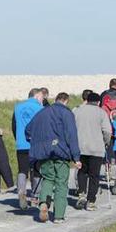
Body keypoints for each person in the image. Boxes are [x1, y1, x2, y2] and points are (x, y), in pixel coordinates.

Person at [26, 92, 81, 224]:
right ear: (66, 101)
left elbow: (28, 130)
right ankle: (58, 216)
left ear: (55, 100)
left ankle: (44, 202)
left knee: (48, 179)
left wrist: (38, 142)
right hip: (61, 152)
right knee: (61, 183)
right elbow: (71, 136)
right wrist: (76, 157)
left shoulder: (42, 113)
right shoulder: (67, 114)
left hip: (44, 153)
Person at [74, 92, 112, 210]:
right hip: (96, 148)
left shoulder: (77, 111)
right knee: (94, 175)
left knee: (82, 172)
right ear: (98, 102)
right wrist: (106, 142)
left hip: (80, 147)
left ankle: (81, 194)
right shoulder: (101, 112)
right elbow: (107, 131)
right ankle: (91, 201)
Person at [11, 89, 44, 209]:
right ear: (36, 96)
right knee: (36, 169)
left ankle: (21, 192)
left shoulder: (17, 107)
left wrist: (18, 139)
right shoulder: (40, 109)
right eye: (41, 97)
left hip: (21, 144)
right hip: (35, 144)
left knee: (22, 170)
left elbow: (14, 126)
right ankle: (35, 196)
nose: (42, 100)